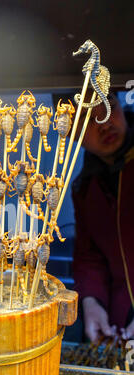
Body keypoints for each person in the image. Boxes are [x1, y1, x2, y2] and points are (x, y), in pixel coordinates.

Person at [70, 91, 134, 342]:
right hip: (121, 329)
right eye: (88, 118)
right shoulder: (85, 188)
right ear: (72, 132)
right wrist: (91, 301)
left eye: (109, 107)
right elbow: (90, 256)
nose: (105, 122)